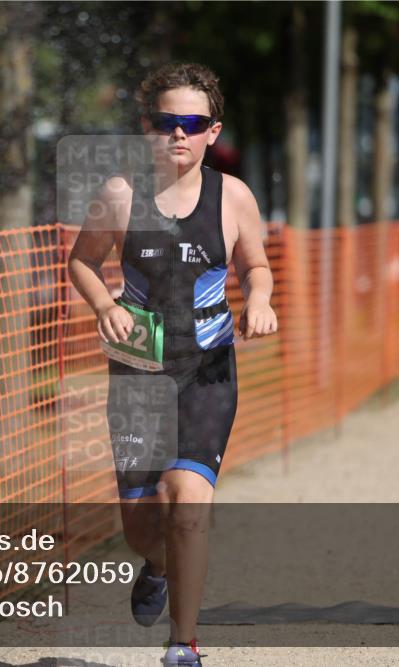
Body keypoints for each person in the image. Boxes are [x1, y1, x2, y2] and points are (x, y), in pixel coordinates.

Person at [66, 62, 277, 667]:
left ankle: (183, 644)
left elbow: (255, 266)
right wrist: (105, 305)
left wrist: (259, 300)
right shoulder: (120, 194)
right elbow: (82, 261)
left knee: (185, 501)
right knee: (141, 525)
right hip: (138, 374)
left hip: (207, 370)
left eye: (192, 122)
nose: (178, 133)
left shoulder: (233, 197)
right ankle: (156, 566)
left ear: (213, 131)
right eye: (165, 122)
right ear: (146, 128)